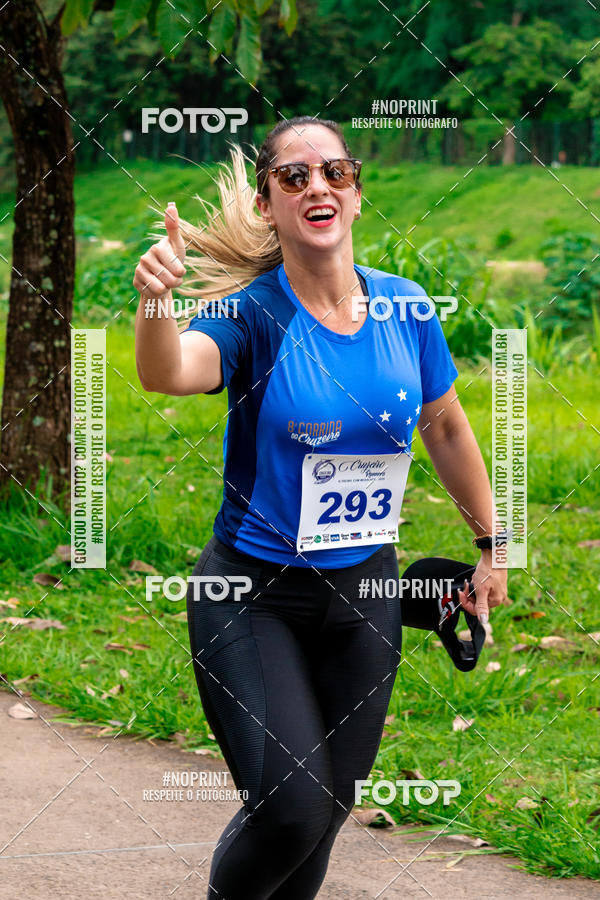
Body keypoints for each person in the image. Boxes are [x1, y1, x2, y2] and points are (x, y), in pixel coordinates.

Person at [133, 115, 508, 899]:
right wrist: (156, 303)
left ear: (357, 193)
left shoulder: (406, 307)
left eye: (335, 172)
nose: (318, 186)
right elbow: (172, 374)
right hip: (249, 595)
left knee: (324, 812)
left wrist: (491, 542)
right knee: (292, 809)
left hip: (364, 596)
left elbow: (444, 424)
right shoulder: (251, 314)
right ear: (268, 204)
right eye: (294, 177)